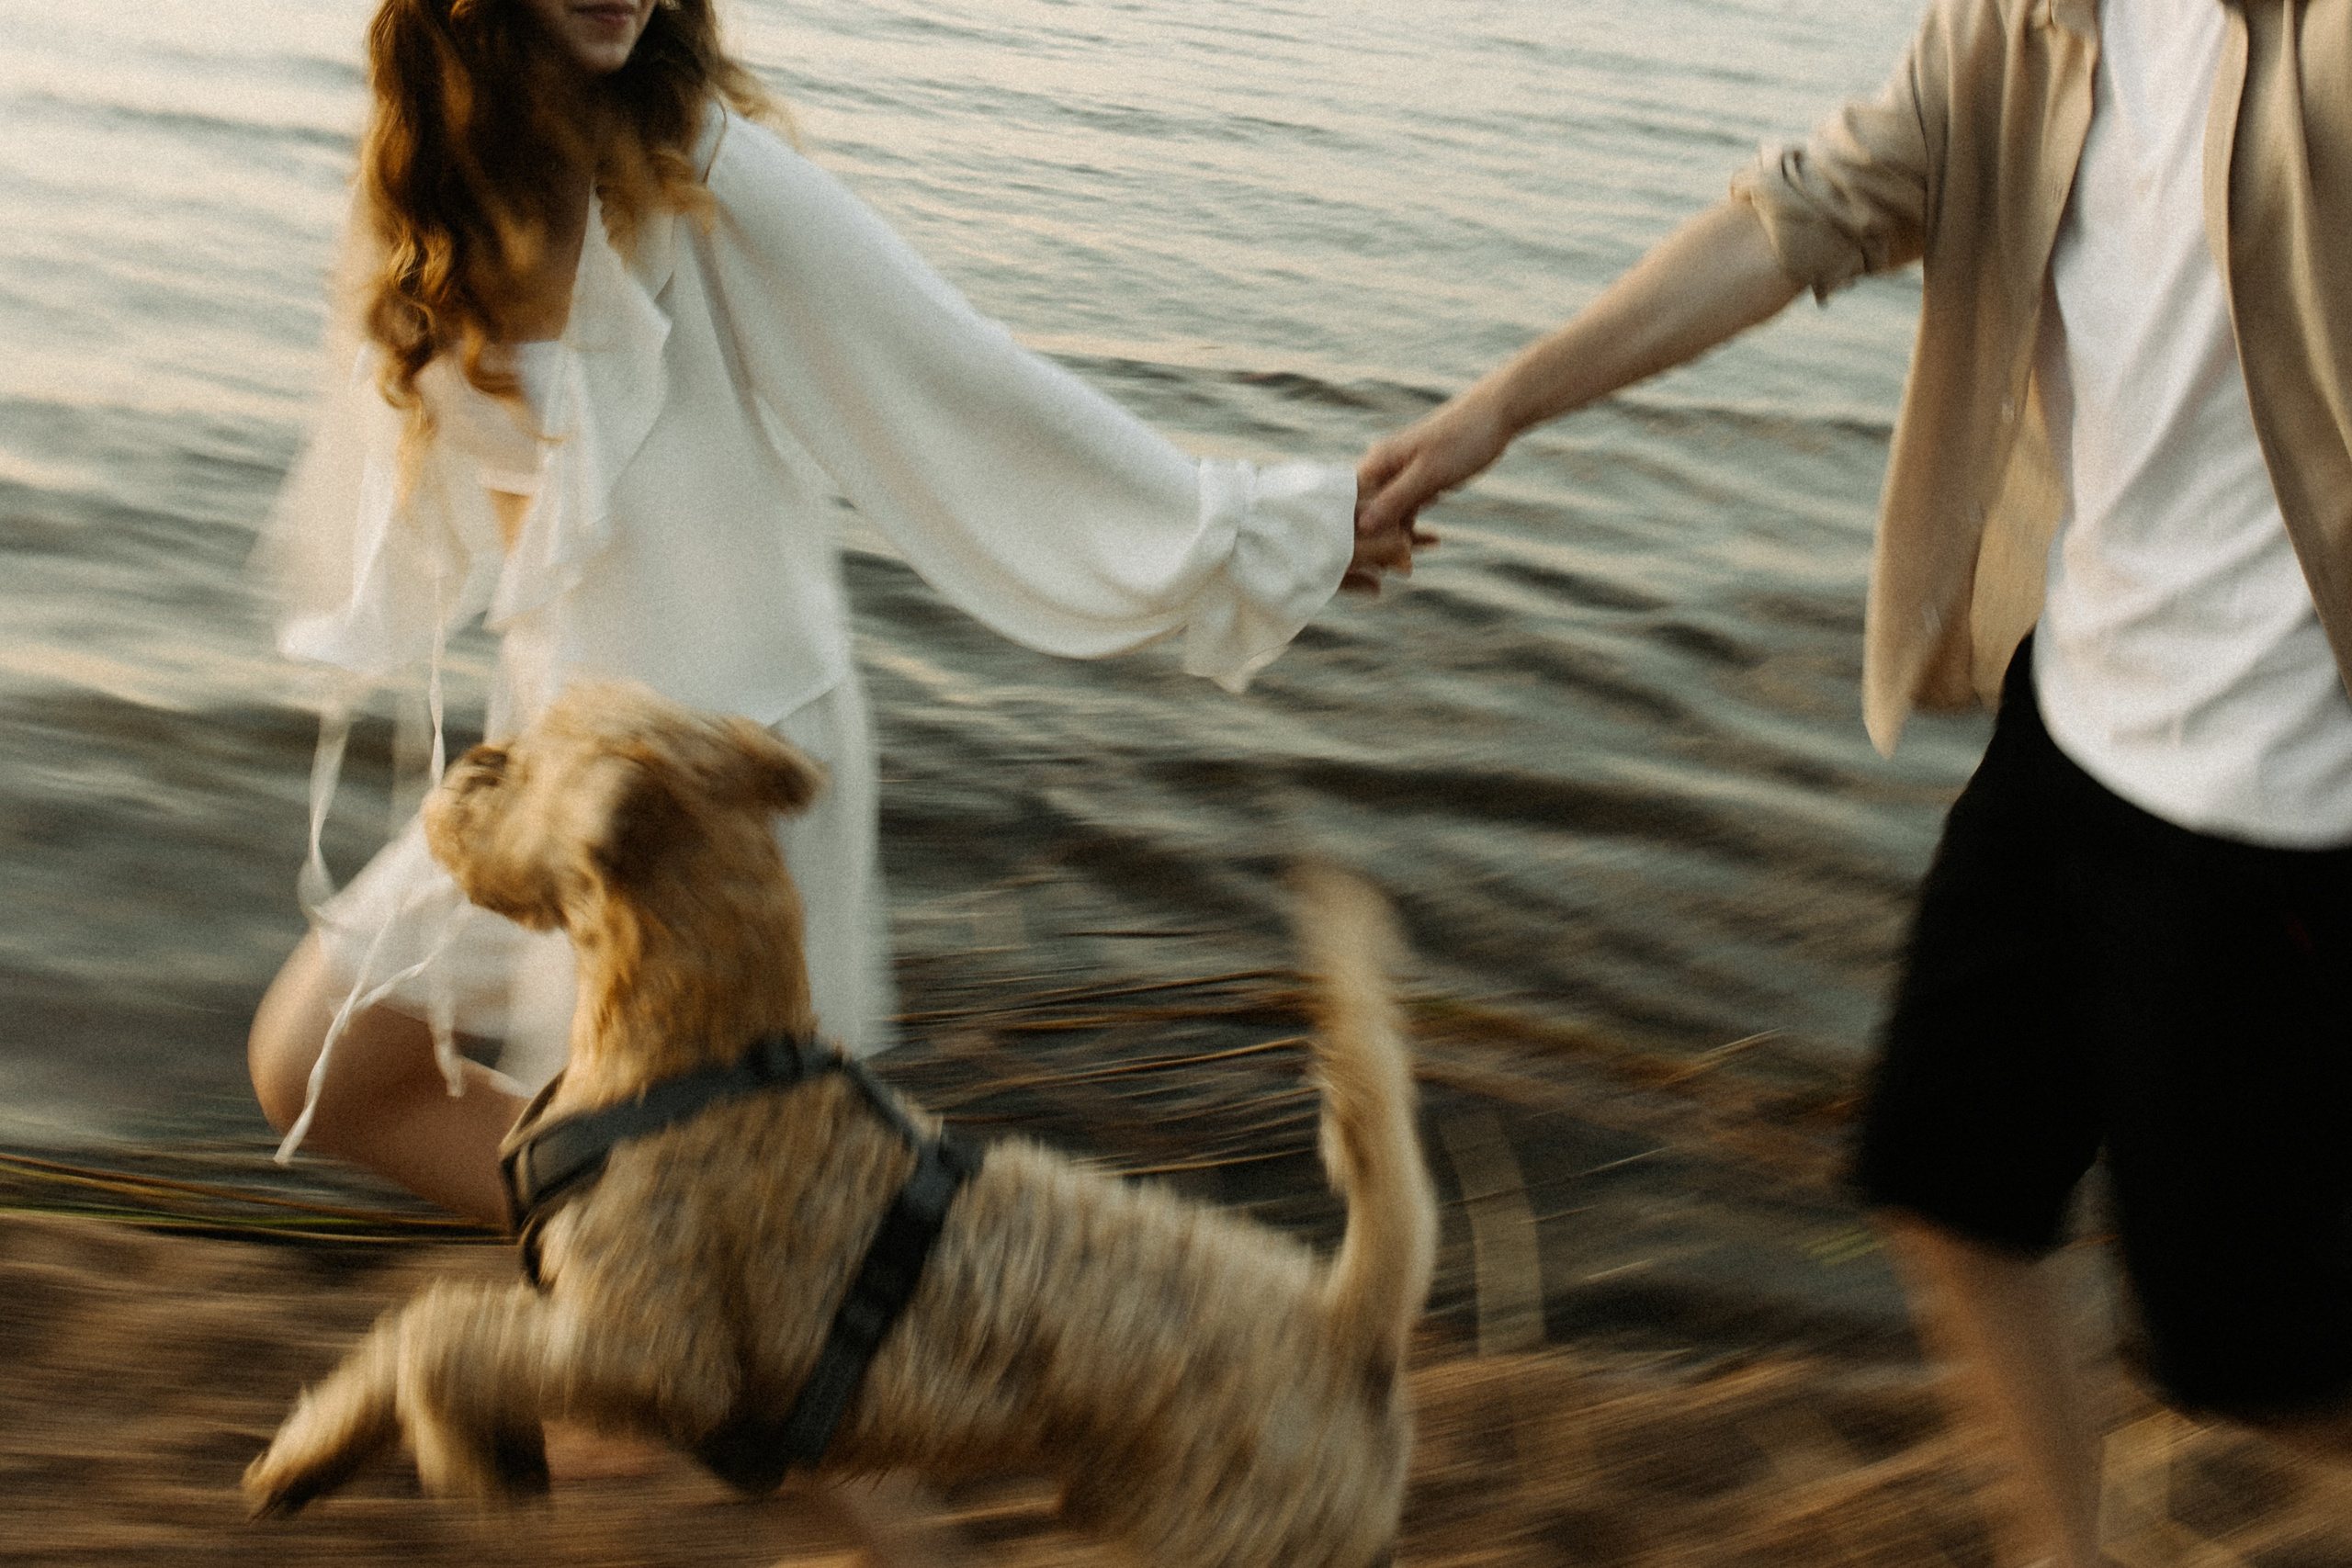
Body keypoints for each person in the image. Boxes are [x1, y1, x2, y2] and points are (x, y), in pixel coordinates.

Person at [1356, 1, 2352, 1564]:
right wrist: (1499, 410)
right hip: (2074, 725)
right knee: (1948, 1179)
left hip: (2275, 807)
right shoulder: (2029, 27)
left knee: (2256, 1368)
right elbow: (1800, 215)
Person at [248, 0, 1407, 1230]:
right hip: (559, 764)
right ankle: (660, 1274)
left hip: (728, 790)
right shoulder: (435, 186)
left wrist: (1258, 533)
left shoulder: (706, 179)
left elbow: (963, 381)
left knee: (662, 1228)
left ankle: (665, 1297)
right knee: (320, 1069)